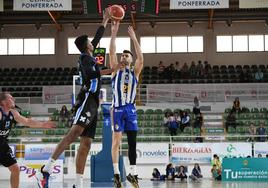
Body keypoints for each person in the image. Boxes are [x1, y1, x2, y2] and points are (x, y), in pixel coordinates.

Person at [39, 9, 119, 188]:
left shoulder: (89, 55)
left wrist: (104, 20)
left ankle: (78, 183)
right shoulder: (85, 59)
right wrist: (113, 69)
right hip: (87, 100)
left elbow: (98, 37)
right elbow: (94, 76)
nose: (93, 43)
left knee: (87, 143)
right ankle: (47, 167)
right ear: (87, 45)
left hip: (94, 102)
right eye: (90, 42)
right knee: (74, 133)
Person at [109, 21, 144, 188]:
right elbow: (111, 51)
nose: (123, 56)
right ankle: (116, 174)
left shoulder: (134, 72)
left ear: (130, 60)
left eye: (126, 55)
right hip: (117, 108)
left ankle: (133, 174)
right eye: (122, 55)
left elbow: (141, 59)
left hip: (130, 109)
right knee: (116, 141)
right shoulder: (115, 69)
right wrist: (114, 33)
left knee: (132, 143)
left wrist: (134, 38)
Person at [0, 92, 55, 188]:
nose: (13, 100)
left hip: (2, 145)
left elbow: (27, 121)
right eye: (11, 98)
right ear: (3, 102)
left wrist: (43, 124)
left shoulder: (13, 113)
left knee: (15, 169)